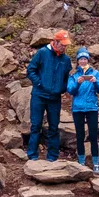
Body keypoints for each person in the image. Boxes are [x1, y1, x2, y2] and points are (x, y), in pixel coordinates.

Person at [26, 28, 71, 161]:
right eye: (62, 44)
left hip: (55, 98)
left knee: (53, 127)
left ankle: (52, 157)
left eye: (66, 45)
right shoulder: (42, 53)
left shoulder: (66, 60)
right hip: (39, 96)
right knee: (36, 126)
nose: (64, 47)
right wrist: (39, 84)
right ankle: (32, 156)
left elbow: (66, 77)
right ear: (55, 42)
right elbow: (31, 70)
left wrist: (62, 88)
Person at [66, 46, 99, 173]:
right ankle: (81, 161)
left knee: (93, 136)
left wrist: (95, 82)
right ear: (77, 61)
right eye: (80, 59)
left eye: (84, 59)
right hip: (78, 108)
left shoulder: (95, 73)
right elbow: (70, 90)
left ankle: (96, 164)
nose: (82, 61)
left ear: (87, 60)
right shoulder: (73, 74)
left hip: (92, 107)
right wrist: (77, 82)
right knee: (80, 135)